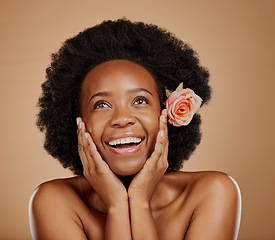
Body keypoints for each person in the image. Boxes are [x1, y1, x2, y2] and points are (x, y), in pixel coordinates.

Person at [29, 19, 241, 240]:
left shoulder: (213, 193)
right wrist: (117, 205)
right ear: (78, 122)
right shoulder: (54, 201)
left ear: (165, 113)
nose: (122, 119)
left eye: (140, 101)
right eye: (101, 105)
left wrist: (139, 201)